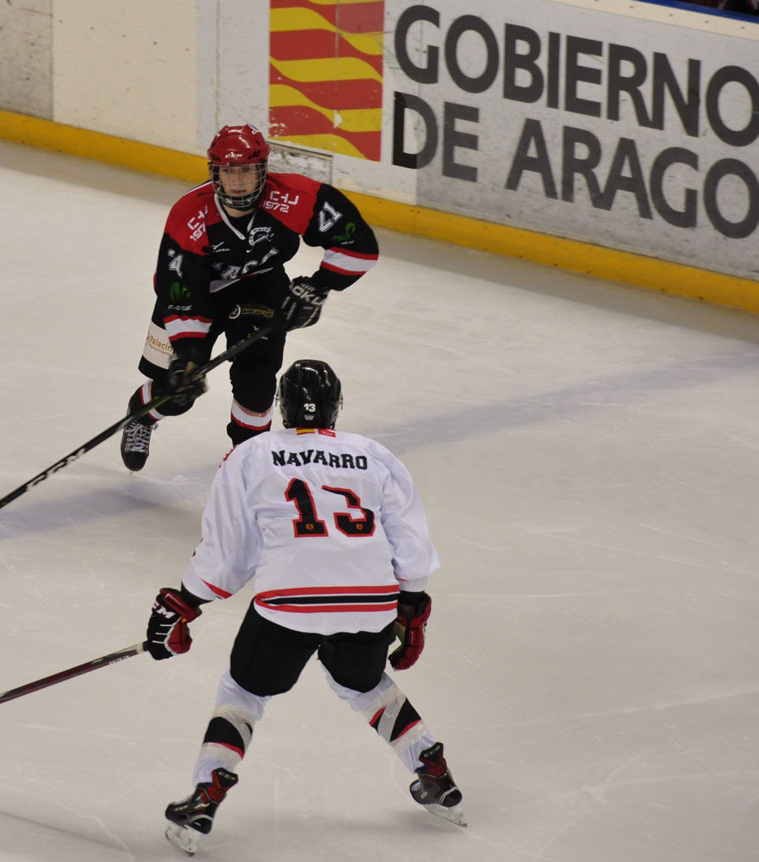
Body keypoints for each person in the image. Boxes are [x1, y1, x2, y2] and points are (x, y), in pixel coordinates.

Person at [143, 359, 465, 855]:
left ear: (282, 407)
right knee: (362, 681)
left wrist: (184, 602)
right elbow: (411, 542)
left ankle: (206, 795)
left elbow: (227, 554)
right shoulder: (374, 454)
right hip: (371, 599)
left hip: (289, 603)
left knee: (244, 692)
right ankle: (433, 772)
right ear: (336, 406)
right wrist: (412, 604)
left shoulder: (253, 455)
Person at [118, 123, 379, 472]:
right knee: (176, 390)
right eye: (228, 171)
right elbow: (178, 288)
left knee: (256, 384)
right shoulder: (189, 216)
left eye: (246, 170)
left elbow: (358, 245)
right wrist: (189, 354)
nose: (237, 181)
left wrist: (318, 286)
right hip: (198, 296)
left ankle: (248, 466)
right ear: (215, 173)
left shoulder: (295, 197)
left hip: (261, 286)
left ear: (262, 170)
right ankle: (141, 417)